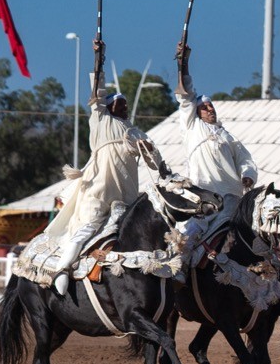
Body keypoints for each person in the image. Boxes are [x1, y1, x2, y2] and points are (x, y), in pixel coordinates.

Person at [41, 53, 156, 295]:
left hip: (126, 196)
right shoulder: (101, 122)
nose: (123, 105)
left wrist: (152, 153)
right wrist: (98, 60)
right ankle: (61, 271)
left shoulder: (135, 132)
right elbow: (97, 95)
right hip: (98, 192)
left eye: (125, 103)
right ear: (108, 107)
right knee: (84, 231)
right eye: (118, 102)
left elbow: (154, 162)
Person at [175, 42, 258, 211]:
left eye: (211, 106)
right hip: (203, 191)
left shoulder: (228, 136)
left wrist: (248, 175)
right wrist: (183, 63)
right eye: (204, 108)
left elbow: (245, 160)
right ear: (196, 112)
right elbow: (186, 97)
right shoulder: (192, 126)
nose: (210, 109)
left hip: (230, 194)